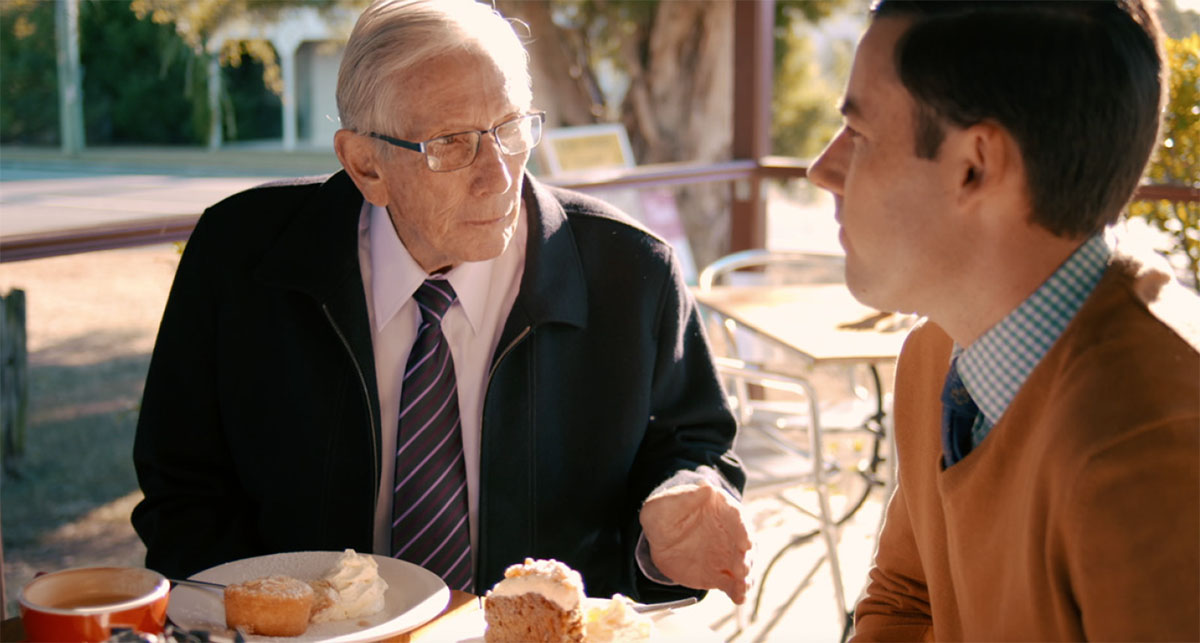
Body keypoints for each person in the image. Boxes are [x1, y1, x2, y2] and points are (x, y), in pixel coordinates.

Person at [132, 0, 751, 605]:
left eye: (511, 127)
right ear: (365, 165)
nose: (500, 176)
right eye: (452, 143)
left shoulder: (633, 270)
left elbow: (694, 446)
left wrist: (676, 516)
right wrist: (258, 617)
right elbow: (182, 487)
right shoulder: (237, 256)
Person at [806, 0, 1200, 640]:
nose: (821, 169)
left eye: (859, 135)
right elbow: (907, 600)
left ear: (975, 165)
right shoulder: (939, 351)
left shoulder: (1153, 439)